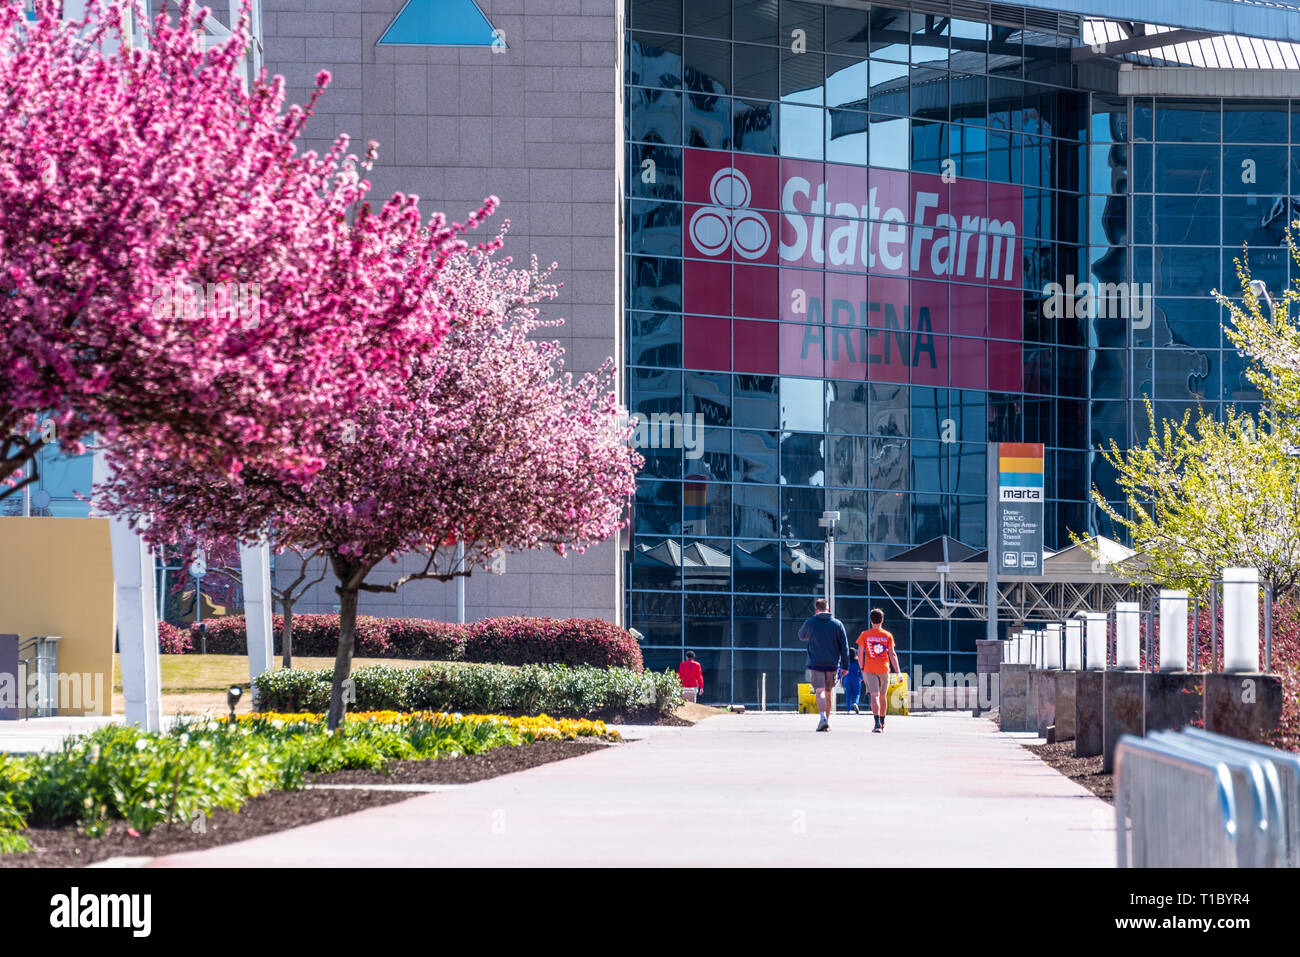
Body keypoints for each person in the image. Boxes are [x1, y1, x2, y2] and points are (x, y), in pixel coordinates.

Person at [798, 597, 851, 732]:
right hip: (833, 664)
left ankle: (822, 719)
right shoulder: (838, 624)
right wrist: (846, 666)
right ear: (828, 609)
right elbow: (844, 646)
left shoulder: (810, 622)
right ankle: (827, 721)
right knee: (829, 692)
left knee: (820, 691)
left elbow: (801, 636)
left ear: (816, 609)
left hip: (816, 664)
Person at [857, 608, 901, 733]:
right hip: (884, 669)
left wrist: (862, 668)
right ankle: (883, 722)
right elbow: (892, 654)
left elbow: (860, 654)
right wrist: (897, 672)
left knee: (874, 696)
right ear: (882, 620)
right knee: (882, 696)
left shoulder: (864, 634)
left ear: (870, 620)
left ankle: (876, 723)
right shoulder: (887, 635)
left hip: (869, 669)